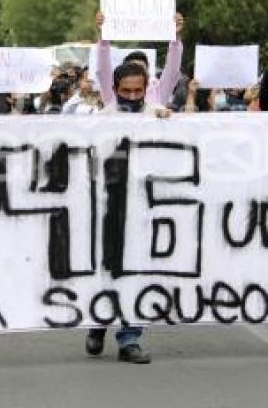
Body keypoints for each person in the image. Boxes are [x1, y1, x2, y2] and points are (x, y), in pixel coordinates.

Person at [85, 63, 172, 365]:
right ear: (116, 89)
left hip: (146, 210)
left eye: (138, 91)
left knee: (138, 272)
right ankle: (98, 323)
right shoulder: (103, 118)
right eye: (126, 91)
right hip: (109, 208)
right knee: (109, 271)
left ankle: (130, 338)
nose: (132, 97)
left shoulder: (156, 114)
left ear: (146, 88)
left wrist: (168, 123)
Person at [94, 11, 184, 107]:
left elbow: (172, 71)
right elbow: (103, 71)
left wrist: (175, 37)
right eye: (126, 90)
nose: (132, 97)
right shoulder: (111, 95)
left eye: (141, 70)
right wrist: (104, 35)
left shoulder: (159, 93)